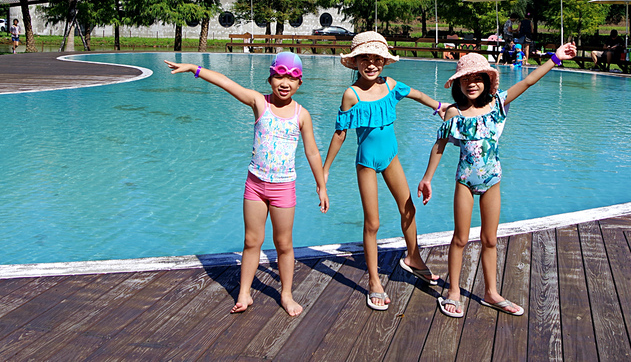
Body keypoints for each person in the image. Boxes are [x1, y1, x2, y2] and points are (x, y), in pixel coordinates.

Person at [418, 43, 578, 318]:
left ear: (486, 81)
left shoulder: (498, 104)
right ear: (458, 84)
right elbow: (439, 145)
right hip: (465, 181)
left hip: (492, 180)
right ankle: (454, 291)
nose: (471, 84)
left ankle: (491, 292)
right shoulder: (454, 113)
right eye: (465, 79)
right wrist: (427, 178)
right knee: (460, 238)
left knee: (490, 239)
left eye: (476, 78)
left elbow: (528, 80)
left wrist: (555, 58)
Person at [164, 52, 328, 316]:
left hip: (284, 189)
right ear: (269, 79)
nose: (284, 82)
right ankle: (244, 293)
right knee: (252, 241)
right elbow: (226, 83)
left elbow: (312, 152)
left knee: (284, 244)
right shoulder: (258, 102)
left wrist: (321, 185)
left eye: (290, 78)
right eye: (278, 76)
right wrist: (194, 68)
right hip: (255, 185)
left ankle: (286, 294)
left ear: (299, 84)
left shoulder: (302, 115)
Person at [323, 31, 446, 311]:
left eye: (377, 58)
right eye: (364, 58)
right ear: (354, 62)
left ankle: (414, 258)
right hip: (366, 162)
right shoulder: (351, 95)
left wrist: (439, 106)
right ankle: (374, 281)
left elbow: (416, 94)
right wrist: (325, 170)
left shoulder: (390, 85)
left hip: (391, 158)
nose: (371, 64)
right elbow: (340, 134)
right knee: (373, 223)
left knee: (408, 209)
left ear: (384, 62)